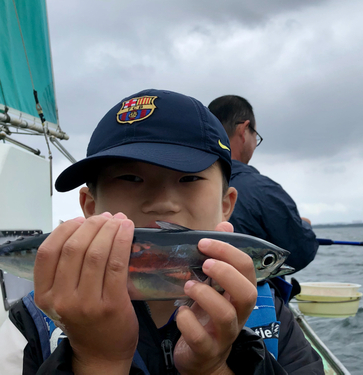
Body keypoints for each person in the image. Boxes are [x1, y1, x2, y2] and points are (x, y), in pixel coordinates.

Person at [0, 89, 323, 374]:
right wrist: (97, 360)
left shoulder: (272, 317)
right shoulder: (31, 323)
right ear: (89, 205)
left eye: (189, 179)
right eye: (130, 178)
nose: (163, 203)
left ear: (227, 205)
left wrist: (213, 368)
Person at [208, 96, 319, 273]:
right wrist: (304, 226)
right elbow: (300, 253)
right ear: (244, 130)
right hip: (254, 297)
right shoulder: (263, 190)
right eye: (256, 136)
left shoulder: (186, 185)